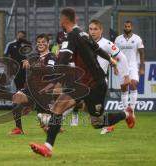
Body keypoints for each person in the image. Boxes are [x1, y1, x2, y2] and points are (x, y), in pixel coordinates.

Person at [29, 8, 135, 157]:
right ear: (75, 19)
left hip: (95, 84)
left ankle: (126, 113)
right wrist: (110, 60)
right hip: (81, 83)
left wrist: (53, 78)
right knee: (58, 107)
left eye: (60, 19)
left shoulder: (71, 36)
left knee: (96, 123)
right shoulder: (82, 33)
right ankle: (48, 147)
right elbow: (97, 48)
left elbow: (64, 59)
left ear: (63, 20)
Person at [88, 19, 130, 134]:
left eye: (95, 29)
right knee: (94, 119)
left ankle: (51, 122)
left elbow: (122, 57)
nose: (92, 32)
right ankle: (110, 123)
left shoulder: (106, 44)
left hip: (99, 82)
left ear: (101, 30)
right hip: (87, 81)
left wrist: (126, 75)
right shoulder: (85, 42)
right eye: (90, 29)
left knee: (77, 103)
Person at [9, 33, 56, 135]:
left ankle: (50, 123)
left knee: (47, 127)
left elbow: (50, 69)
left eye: (43, 42)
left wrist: (31, 67)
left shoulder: (51, 56)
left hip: (43, 93)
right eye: (39, 42)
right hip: (31, 90)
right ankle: (19, 129)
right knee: (16, 99)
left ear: (48, 43)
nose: (41, 44)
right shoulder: (35, 58)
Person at [115, 20, 145, 114]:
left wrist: (142, 67)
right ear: (123, 27)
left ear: (131, 27)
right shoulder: (118, 39)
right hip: (121, 65)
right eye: (125, 27)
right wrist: (115, 66)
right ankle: (125, 109)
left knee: (133, 83)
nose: (127, 28)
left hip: (133, 64)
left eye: (128, 26)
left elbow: (142, 52)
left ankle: (131, 109)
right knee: (124, 86)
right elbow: (114, 53)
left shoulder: (137, 39)